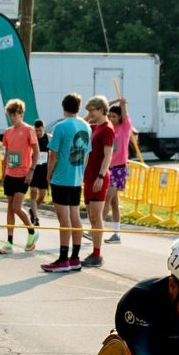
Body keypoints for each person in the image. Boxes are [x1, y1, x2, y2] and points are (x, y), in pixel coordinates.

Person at [43, 93, 93, 273]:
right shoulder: (86, 127)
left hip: (61, 177)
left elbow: (53, 155)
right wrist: (80, 173)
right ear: (79, 108)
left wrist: (48, 175)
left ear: (63, 107)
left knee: (64, 219)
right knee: (75, 217)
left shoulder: (60, 127)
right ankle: (75, 257)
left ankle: (63, 258)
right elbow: (86, 155)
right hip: (76, 177)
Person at [0, 99, 40, 255]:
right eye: (10, 115)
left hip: (23, 174)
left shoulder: (29, 130)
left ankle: (32, 231)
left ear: (21, 114)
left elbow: (37, 152)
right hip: (10, 174)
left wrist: (31, 171)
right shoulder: (8, 132)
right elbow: (7, 153)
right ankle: (9, 241)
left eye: (15, 115)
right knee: (9, 208)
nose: (12, 118)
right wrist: (3, 173)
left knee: (16, 207)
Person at [81, 96, 115, 267]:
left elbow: (108, 155)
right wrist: (89, 116)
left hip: (98, 177)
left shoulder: (107, 129)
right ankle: (94, 252)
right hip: (88, 175)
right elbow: (80, 122)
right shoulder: (95, 126)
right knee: (91, 217)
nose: (89, 114)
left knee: (96, 216)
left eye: (92, 110)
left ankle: (97, 253)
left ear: (101, 109)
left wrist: (101, 176)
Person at [105, 100, 139, 241]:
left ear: (119, 117)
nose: (111, 118)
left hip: (118, 168)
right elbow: (102, 106)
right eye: (110, 116)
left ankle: (95, 229)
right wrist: (114, 101)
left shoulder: (124, 127)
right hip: (107, 167)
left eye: (114, 116)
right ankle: (117, 233)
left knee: (107, 198)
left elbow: (125, 115)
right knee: (113, 202)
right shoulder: (108, 128)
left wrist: (123, 105)